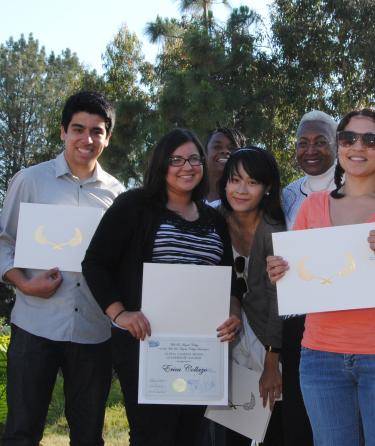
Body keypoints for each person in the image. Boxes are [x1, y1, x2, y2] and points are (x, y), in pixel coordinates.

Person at [81, 128, 242, 446]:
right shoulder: (133, 206)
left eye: (194, 158)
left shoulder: (215, 220)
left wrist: (234, 314)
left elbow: (230, 282)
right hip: (146, 346)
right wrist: (121, 314)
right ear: (161, 165)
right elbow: (95, 262)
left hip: (200, 349)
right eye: (177, 159)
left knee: (189, 435)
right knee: (152, 435)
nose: (187, 166)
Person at [0, 91, 125, 446]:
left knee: (88, 436)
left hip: (92, 330)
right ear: (63, 132)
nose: (87, 139)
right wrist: (23, 284)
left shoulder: (117, 195)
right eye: (78, 129)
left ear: (108, 137)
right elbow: (3, 241)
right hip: (35, 324)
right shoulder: (30, 181)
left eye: (97, 131)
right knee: (22, 432)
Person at [267, 108, 375, 446]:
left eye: (370, 139)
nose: (358, 146)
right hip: (319, 358)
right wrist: (280, 272)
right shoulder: (312, 206)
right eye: (349, 138)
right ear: (341, 146)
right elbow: (298, 279)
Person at [217, 147, 285, 446]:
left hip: (267, 337)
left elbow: (279, 301)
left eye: (252, 182)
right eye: (234, 180)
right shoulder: (214, 219)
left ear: (267, 188)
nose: (241, 190)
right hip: (225, 334)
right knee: (228, 423)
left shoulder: (274, 230)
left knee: (270, 418)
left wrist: (272, 364)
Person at [281, 110, 337, 446]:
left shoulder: (354, 188)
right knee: (300, 412)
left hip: (342, 318)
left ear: (336, 144)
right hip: (297, 319)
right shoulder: (289, 193)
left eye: (320, 142)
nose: (310, 150)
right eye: (302, 143)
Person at [205, 126, 247, 206]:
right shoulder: (189, 198)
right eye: (217, 147)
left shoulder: (247, 204)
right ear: (205, 154)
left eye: (232, 148)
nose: (225, 151)